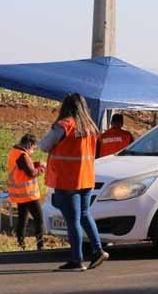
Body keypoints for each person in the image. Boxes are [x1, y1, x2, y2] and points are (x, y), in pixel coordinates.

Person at [40, 93, 109, 272]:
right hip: (86, 178)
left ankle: (77, 260)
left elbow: (44, 145)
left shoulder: (64, 125)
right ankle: (98, 250)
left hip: (67, 179)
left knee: (72, 220)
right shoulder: (90, 127)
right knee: (85, 215)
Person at [7, 134, 46, 250]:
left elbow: (23, 167)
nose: (33, 152)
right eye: (33, 148)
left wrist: (36, 164)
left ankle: (21, 245)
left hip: (20, 193)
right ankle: (40, 245)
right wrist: (42, 168)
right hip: (28, 194)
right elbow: (31, 173)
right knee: (39, 219)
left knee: (22, 219)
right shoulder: (23, 155)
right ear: (29, 144)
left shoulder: (15, 151)